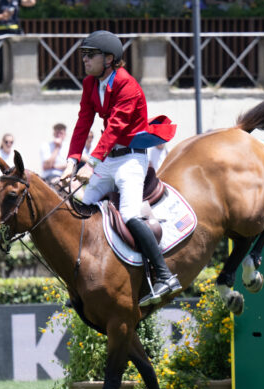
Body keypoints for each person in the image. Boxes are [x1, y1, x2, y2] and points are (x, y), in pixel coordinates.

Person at [57, 30, 180, 307]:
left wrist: (91, 162)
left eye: (91, 55)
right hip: (109, 157)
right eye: (84, 55)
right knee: (81, 209)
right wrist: (72, 160)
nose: (85, 60)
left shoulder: (128, 85)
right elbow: (83, 122)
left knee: (129, 213)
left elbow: (115, 127)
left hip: (130, 159)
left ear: (110, 59)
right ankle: (81, 282)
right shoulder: (90, 83)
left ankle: (164, 275)